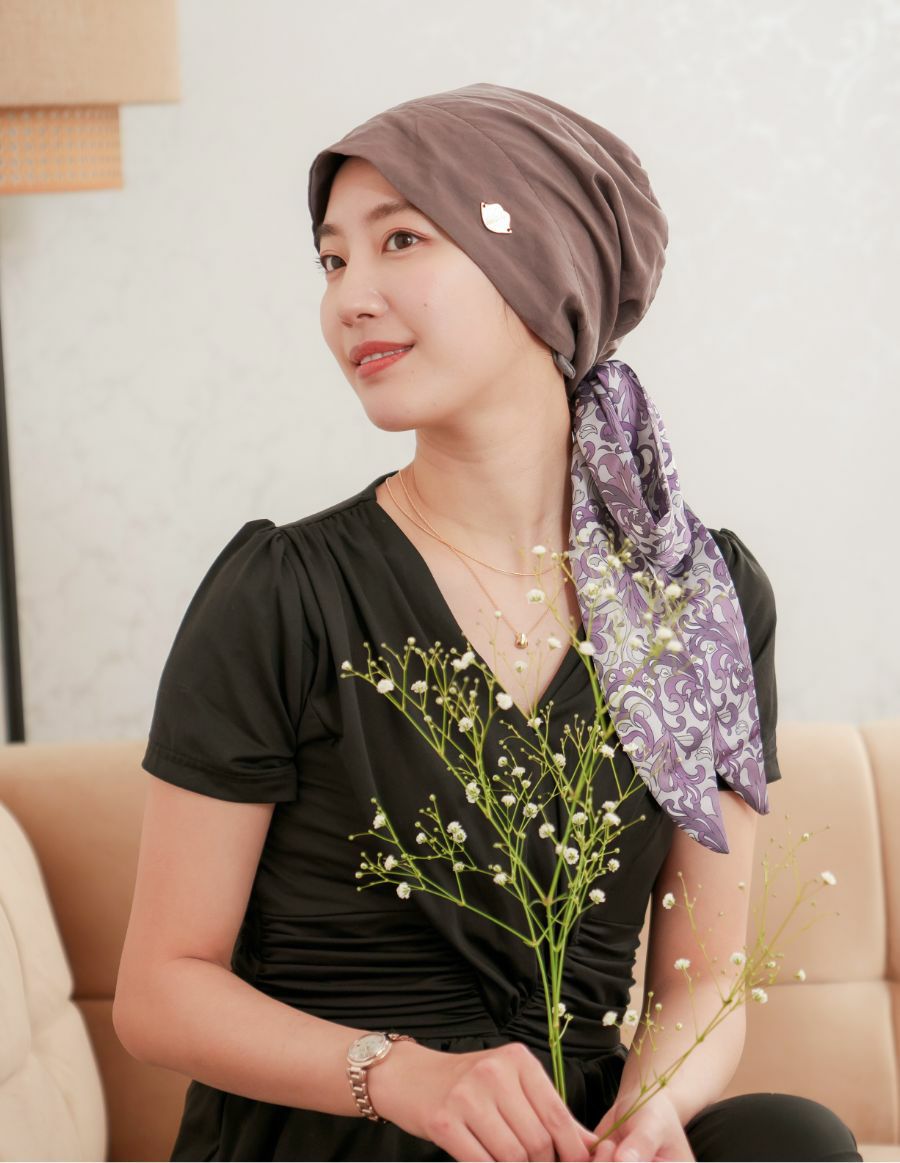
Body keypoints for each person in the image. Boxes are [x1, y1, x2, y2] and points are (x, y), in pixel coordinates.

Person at [113, 83, 862, 1162]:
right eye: (331, 261)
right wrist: (403, 1076)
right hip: (349, 1130)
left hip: (564, 1135)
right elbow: (158, 992)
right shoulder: (281, 592)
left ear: (539, 262)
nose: (350, 298)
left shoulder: (700, 597)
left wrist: (646, 1114)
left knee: (791, 1138)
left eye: (399, 240)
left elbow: (704, 976)